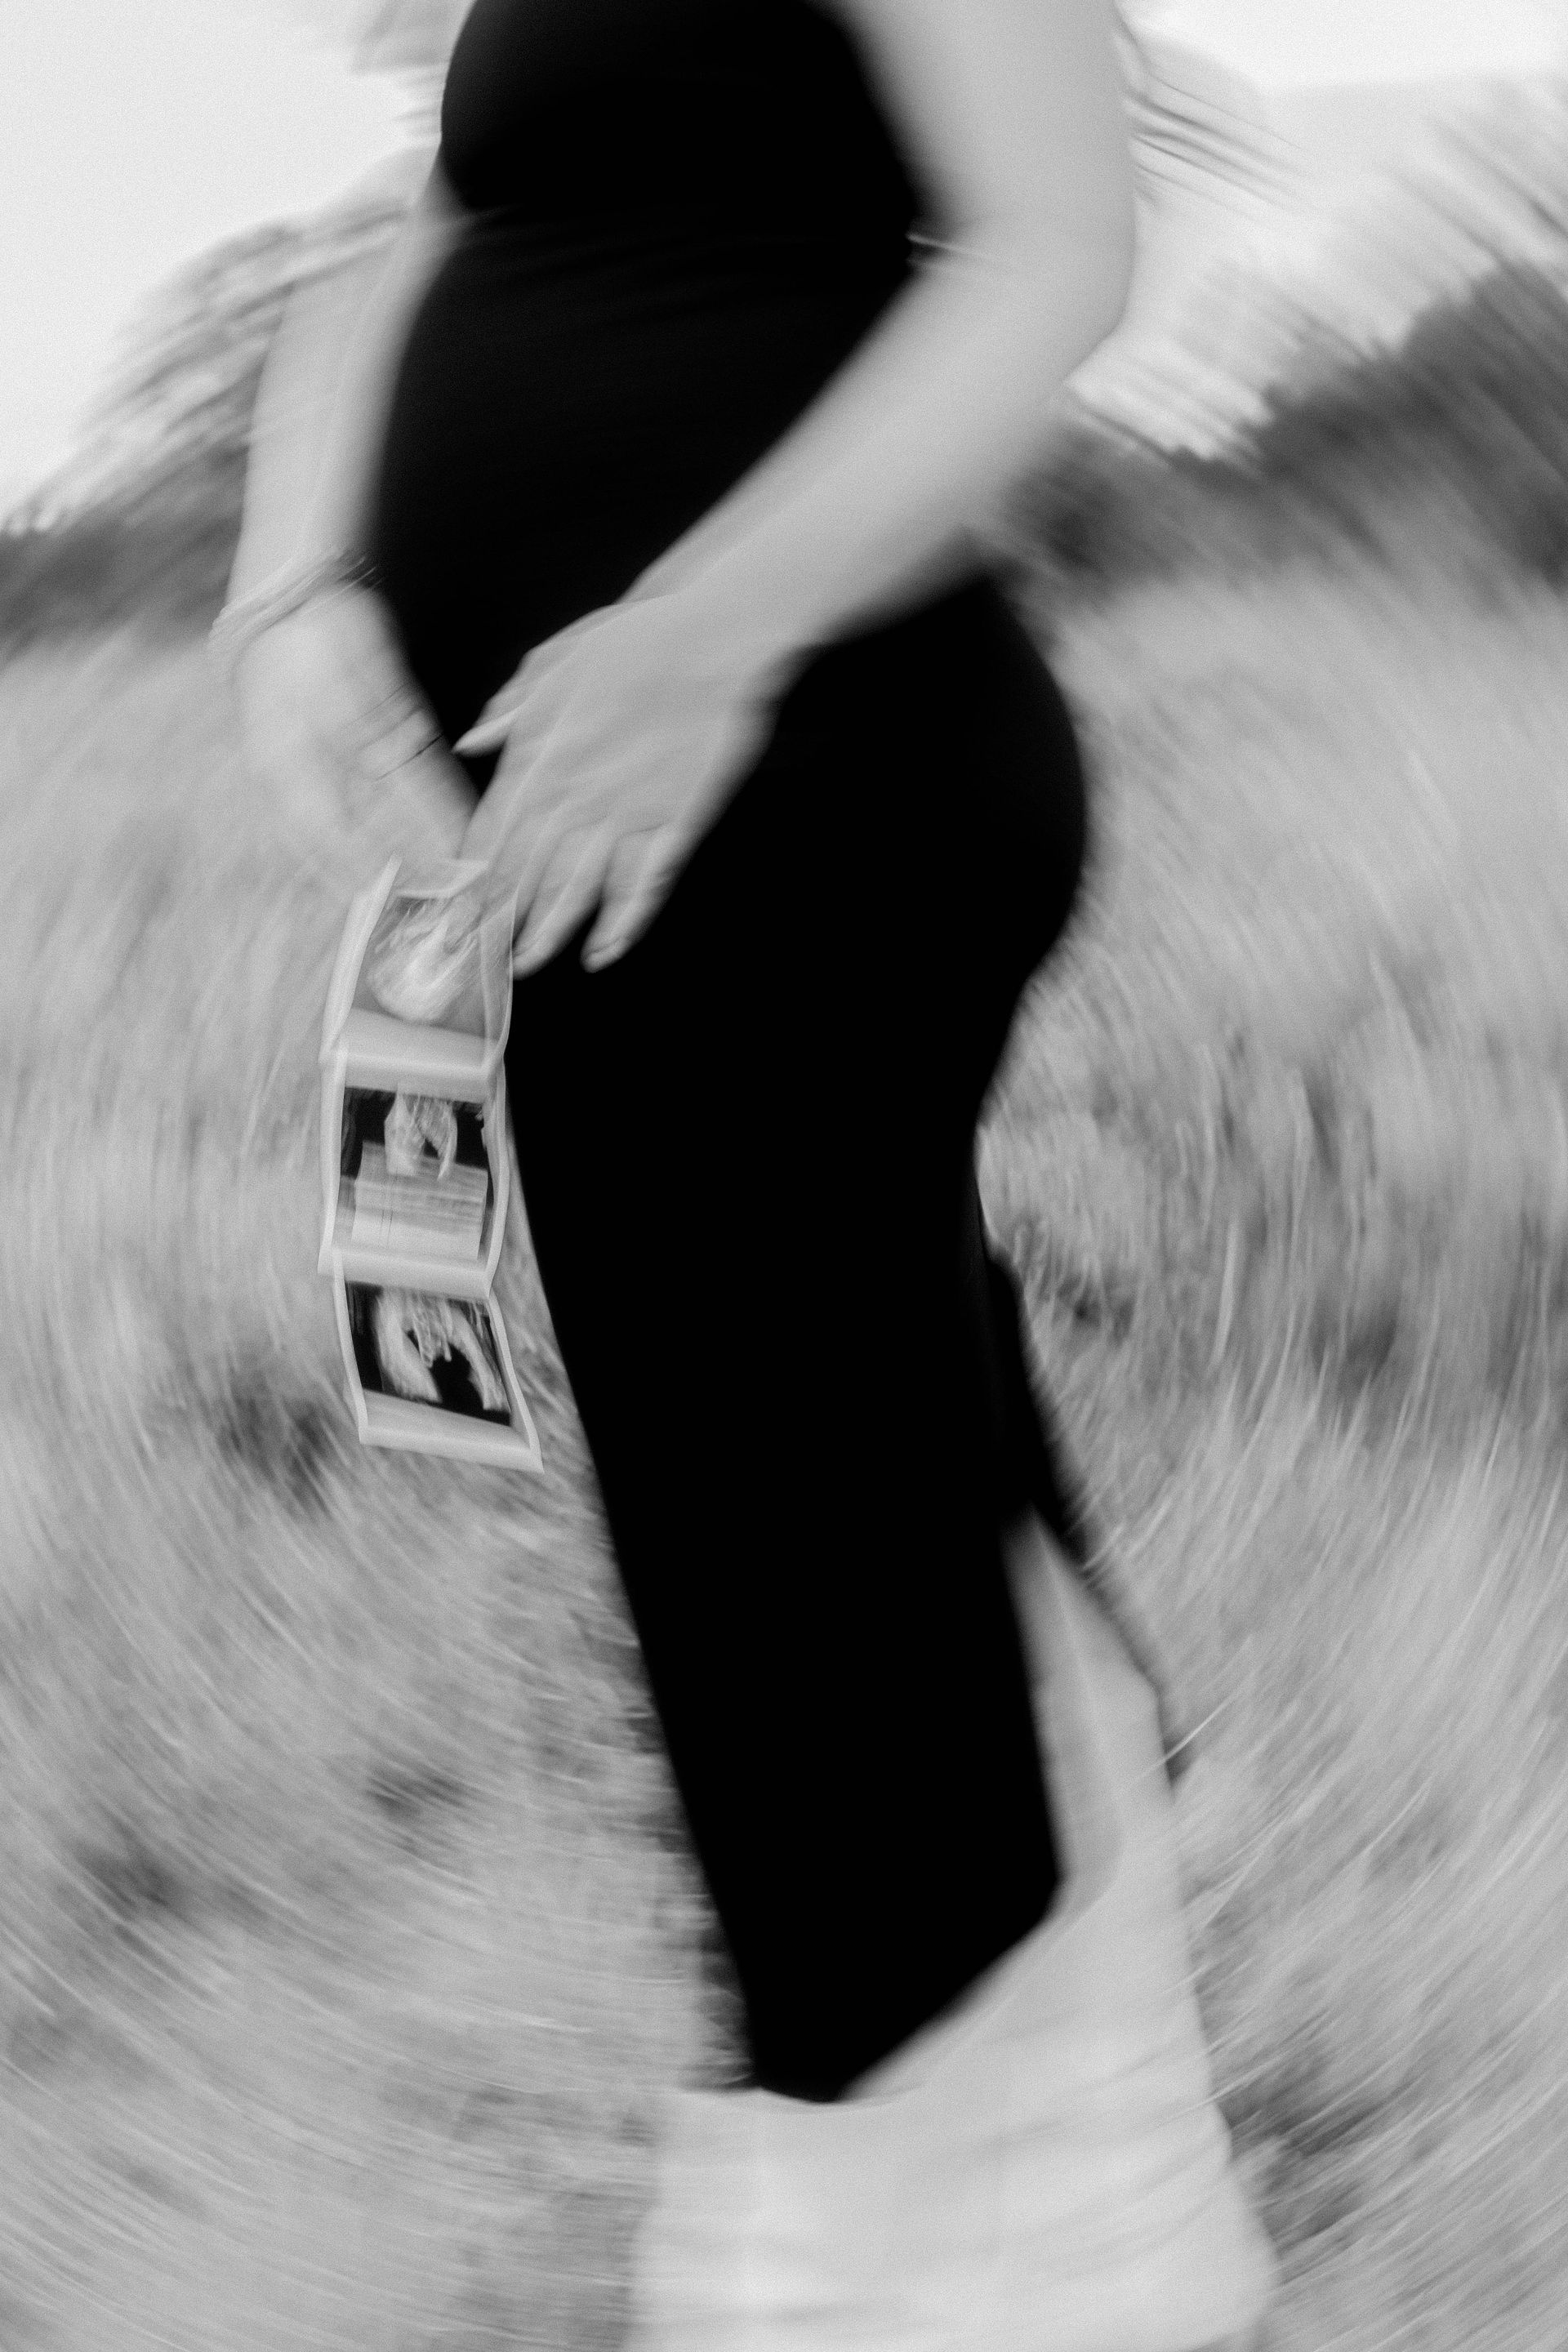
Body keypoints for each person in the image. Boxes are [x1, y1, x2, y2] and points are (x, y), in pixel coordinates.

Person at [217, 1, 1280, 2343]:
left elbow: (1047, 252)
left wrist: (706, 633)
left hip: (807, 765)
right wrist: (293, 588)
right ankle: (1059, 2139)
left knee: (774, 1496)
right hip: (595, 816)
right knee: (822, 1462)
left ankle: (920, 2240)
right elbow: (425, 245)